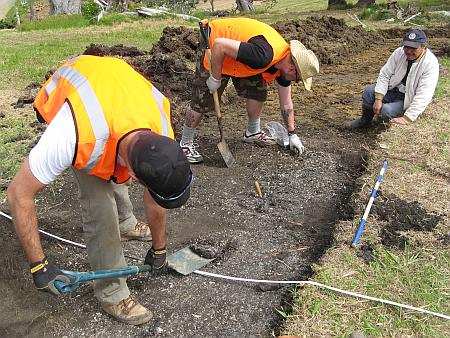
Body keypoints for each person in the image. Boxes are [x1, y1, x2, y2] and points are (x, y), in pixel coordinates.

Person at [6, 55, 192, 326]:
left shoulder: (161, 128)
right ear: (135, 175)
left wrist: (160, 249)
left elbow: (155, 198)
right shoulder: (75, 134)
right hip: (67, 96)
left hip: (113, 87)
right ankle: (112, 292)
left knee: (113, 167)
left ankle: (125, 222)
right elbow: (18, 194)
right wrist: (39, 265)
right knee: (99, 202)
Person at [179, 17, 320, 163]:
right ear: (292, 68)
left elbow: (286, 103)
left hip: (240, 51)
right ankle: (185, 144)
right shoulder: (263, 55)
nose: (295, 82)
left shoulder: (283, 63)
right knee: (203, 98)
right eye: (298, 79)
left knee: (257, 90)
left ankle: (253, 132)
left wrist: (292, 134)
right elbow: (220, 45)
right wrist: (215, 78)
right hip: (215, 43)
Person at [347, 28, 439, 129]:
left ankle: (381, 126)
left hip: (408, 98)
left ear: (423, 47)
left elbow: (424, 94)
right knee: (369, 92)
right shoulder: (398, 53)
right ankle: (365, 121)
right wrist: (378, 99)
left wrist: (407, 117)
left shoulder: (430, 64)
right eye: (406, 47)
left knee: (387, 110)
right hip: (394, 90)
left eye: (413, 48)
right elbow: (385, 74)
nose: (408, 51)